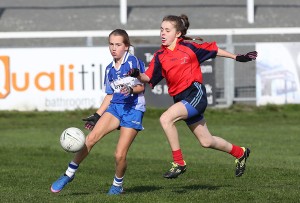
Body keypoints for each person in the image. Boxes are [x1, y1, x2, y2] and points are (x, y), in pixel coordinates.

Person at [128, 14, 257, 179]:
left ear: (178, 34)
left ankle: (179, 162)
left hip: (195, 94)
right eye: (161, 30)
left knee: (165, 119)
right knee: (206, 141)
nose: (162, 33)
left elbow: (214, 50)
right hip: (182, 100)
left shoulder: (189, 48)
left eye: (167, 30)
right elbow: (148, 77)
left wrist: (237, 57)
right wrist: (137, 74)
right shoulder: (160, 56)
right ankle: (241, 152)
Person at [50, 29, 146, 195]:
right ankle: (68, 174)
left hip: (133, 110)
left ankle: (117, 185)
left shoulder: (132, 62)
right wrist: (97, 115)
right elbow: (110, 94)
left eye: (118, 44)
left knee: (119, 155)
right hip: (116, 107)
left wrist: (130, 89)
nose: (113, 48)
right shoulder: (110, 69)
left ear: (126, 46)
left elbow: (141, 86)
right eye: (111, 44)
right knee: (91, 139)